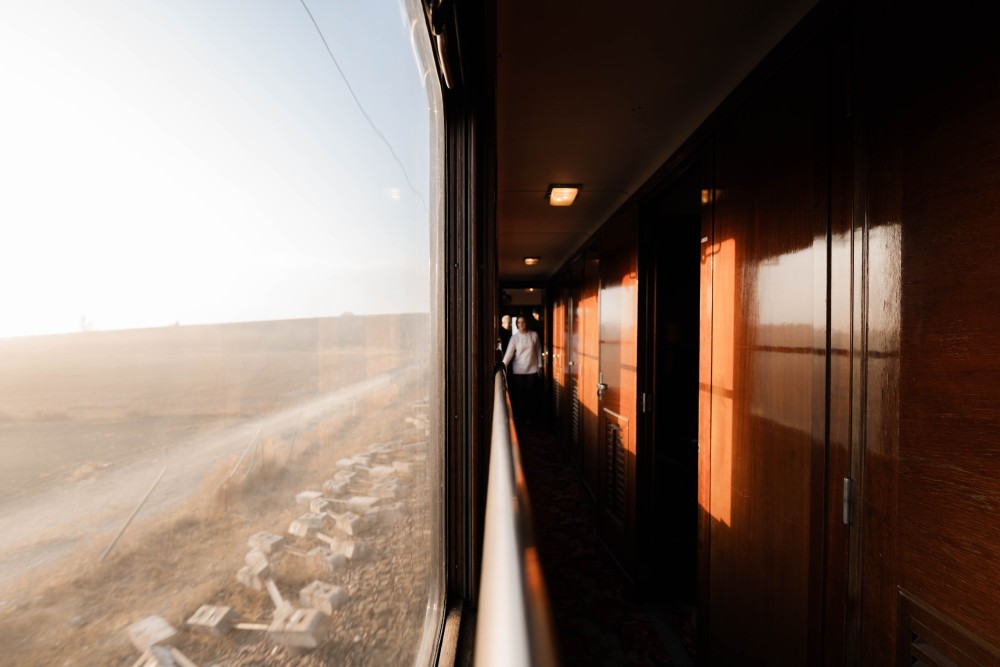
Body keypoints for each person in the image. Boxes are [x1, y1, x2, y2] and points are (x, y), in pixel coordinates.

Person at [502, 315, 543, 426]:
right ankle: (520, 417)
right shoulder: (514, 338)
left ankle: (530, 418)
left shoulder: (534, 335)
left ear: (526, 323)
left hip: (532, 370)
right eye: (519, 323)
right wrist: (502, 366)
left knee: (531, 395)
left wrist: (540, 365)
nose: (521, 324)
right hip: (518, 371)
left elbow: (539, 351)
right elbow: (508, 355)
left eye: (523, 322)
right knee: (520, 395)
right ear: (517, 324)